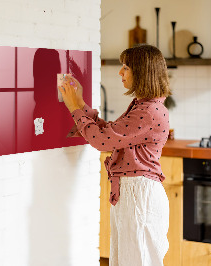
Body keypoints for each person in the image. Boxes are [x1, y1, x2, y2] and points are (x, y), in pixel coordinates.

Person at [59, 44, 171, 266]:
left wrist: (74, 108)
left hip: (139, 195)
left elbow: (102, 141)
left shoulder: (148, 111)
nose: (120, 72)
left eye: (126, 67)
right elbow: (110, 134)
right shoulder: (144, 106)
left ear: (142, 72)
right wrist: (80, 104)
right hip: (134, 193)